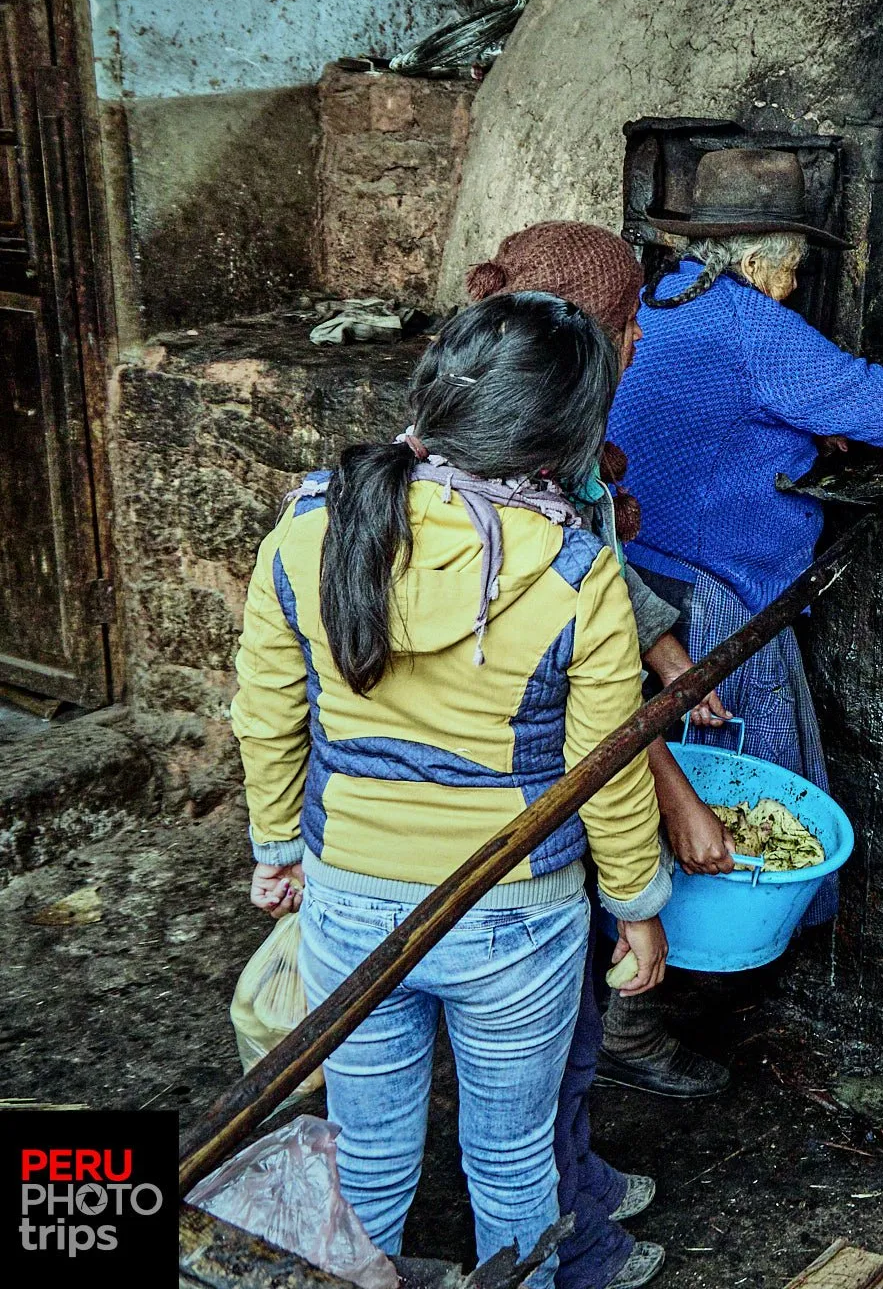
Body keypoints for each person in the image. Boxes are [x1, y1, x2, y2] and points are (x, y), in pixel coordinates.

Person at [232, 293, 671, 1278]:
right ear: (566, 436)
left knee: (369, 1165)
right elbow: (604, 776)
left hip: (350, 901)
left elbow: (266, 713)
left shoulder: (312, 526)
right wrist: (641, 906)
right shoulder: (575, 571)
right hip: (515, 914)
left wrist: (276, 849)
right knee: (515, 1165)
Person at [465, 221, 740, 1289]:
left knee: (566, 1027)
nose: (638, 347)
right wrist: (672, 793)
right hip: (525, 792)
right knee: (543, 1040)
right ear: (590, 339)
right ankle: (568, 1231)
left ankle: (572, 1172)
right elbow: (588, 686)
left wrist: (671, 649)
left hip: (552, 780)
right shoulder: (517, 468)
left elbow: (606, 576)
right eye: (628, 326)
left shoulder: (551, 438)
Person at [610, 147, 883, 933]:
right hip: (708, 597)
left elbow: (720, 414)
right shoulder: (749, 320)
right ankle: (720, 942)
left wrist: (800, 422)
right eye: (790, 270)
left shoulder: (654, 300)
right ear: (758, 259)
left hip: (632, 575)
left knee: (640, 781)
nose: (793, 288)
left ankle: (641, 935)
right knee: (736, 782)